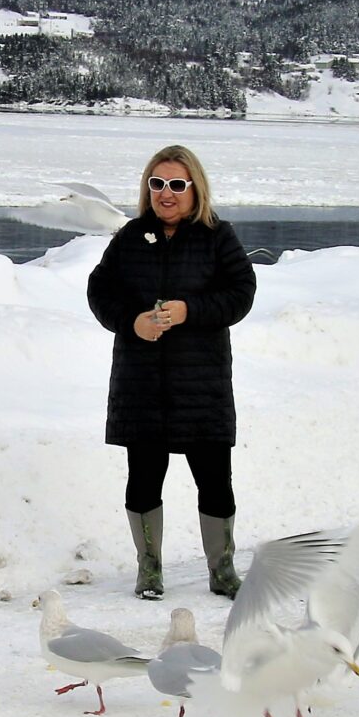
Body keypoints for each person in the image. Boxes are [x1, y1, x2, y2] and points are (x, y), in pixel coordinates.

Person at [85, 144, 257, 600]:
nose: (166, 193)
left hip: (201, 383)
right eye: (157, 184)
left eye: (176, 185)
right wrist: (132, 322)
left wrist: (189, 311)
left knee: (215, 483)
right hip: (141, 383)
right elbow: (100, 290)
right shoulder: (129, 237)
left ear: (194, 188)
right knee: (143, 480)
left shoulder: (218, 236)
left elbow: (241, 293)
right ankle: (150, 570)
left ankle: (222, 572)